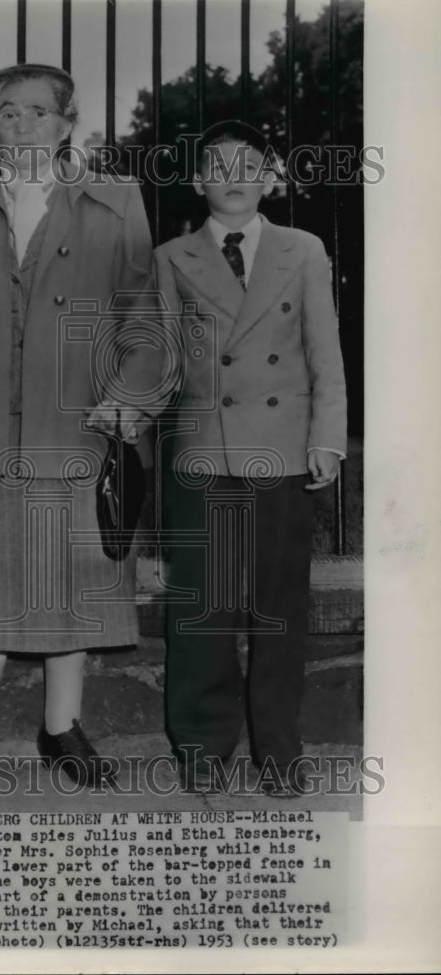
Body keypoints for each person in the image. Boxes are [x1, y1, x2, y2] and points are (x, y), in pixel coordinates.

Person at [0, 63, 164, 792]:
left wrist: (125, 395)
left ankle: (59, 728)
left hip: (75, 427)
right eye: (5, 115)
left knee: (67, 585)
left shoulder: (115, 200)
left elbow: (143, 312)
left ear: (68, 123)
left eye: (36, 113)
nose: (19, 127)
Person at [154, 120, 347, 796]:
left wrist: (327, 437)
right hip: (204, 452)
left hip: (282, 448)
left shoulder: (304, 250)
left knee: (278, 608)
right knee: (200, 609)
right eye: (217, 164)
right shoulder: (172, 256)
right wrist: (126, 402)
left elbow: (326, 352)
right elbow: (159, 354)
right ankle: (202, 746)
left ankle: (279, 750)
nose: (232, 176)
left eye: (248, 164)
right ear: (199, 180)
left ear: (269, 177)